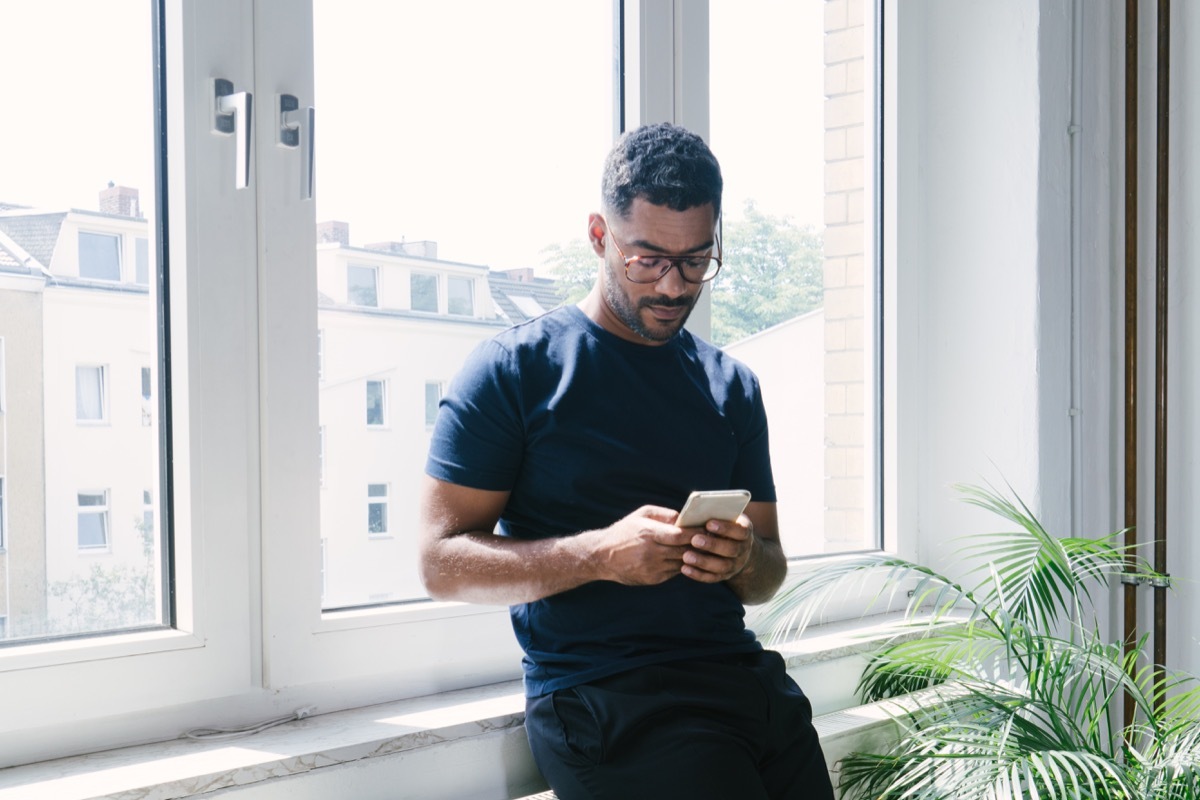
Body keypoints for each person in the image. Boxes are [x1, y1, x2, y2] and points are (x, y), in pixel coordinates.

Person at [419, 122, 833, 800]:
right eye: (647, 260)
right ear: (598, 235)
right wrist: (597, 556)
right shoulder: (514, 370)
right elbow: (440, 564)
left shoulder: (732, 385)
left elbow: (769, 573)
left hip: (748, 688)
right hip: (612, 703)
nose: (674, 287)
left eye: (696, 261)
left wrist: (740, 560)